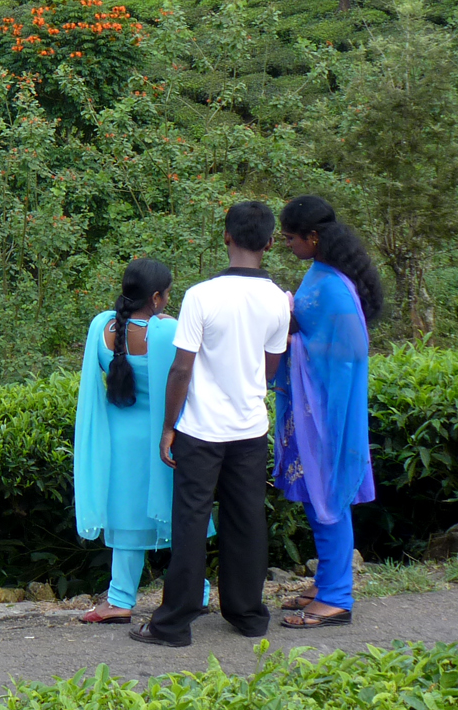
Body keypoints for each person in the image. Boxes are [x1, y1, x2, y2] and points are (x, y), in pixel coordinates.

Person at [132, 201, 289, 648]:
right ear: (271, 243)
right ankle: (248, 614)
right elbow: (270, 367)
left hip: (201, 431)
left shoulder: (203, 295)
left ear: (226, 237)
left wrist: (168, 427)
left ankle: (174, 624)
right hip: (250, 429)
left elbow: (181, 369)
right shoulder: (278, 300)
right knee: (247, 521)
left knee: (191, 523)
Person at [73, 259, 210, 625]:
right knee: (181, 516)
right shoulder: (167, 332)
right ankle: (197, 590)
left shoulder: (101, 326)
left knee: (128, 520)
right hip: (166, 437)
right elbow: (187, 379)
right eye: (167, 294)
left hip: (119, 440)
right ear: (155, 297)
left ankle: (119, 598)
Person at [275, 195, 383, 630]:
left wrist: (291, 331)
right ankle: (325, 582)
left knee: (328, 498)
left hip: (328, 412)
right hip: (312, 408)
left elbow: (349, 352)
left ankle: (338, 596)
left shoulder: (334, 288)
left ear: (313, 237)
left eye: (290, 238)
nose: (286, 245)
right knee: (315, 494)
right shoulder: (320, 274)